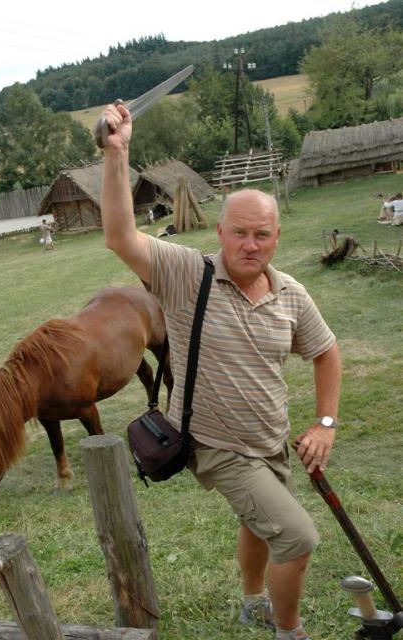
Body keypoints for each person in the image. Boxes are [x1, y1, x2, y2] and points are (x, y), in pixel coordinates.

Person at [100, 102, 341, 640]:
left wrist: (325, 423)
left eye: (262, 234)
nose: (249, 245)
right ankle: (289, 631)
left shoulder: (291, 294)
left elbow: (326, 352)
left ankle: (253, 601)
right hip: (216, 445)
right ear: (220, 230)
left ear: (277, 236)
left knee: (259, 523)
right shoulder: (188, 274)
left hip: (271, 438)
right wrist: (118, 155)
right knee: (297, 537)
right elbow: (120, 237)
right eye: (239, 233)